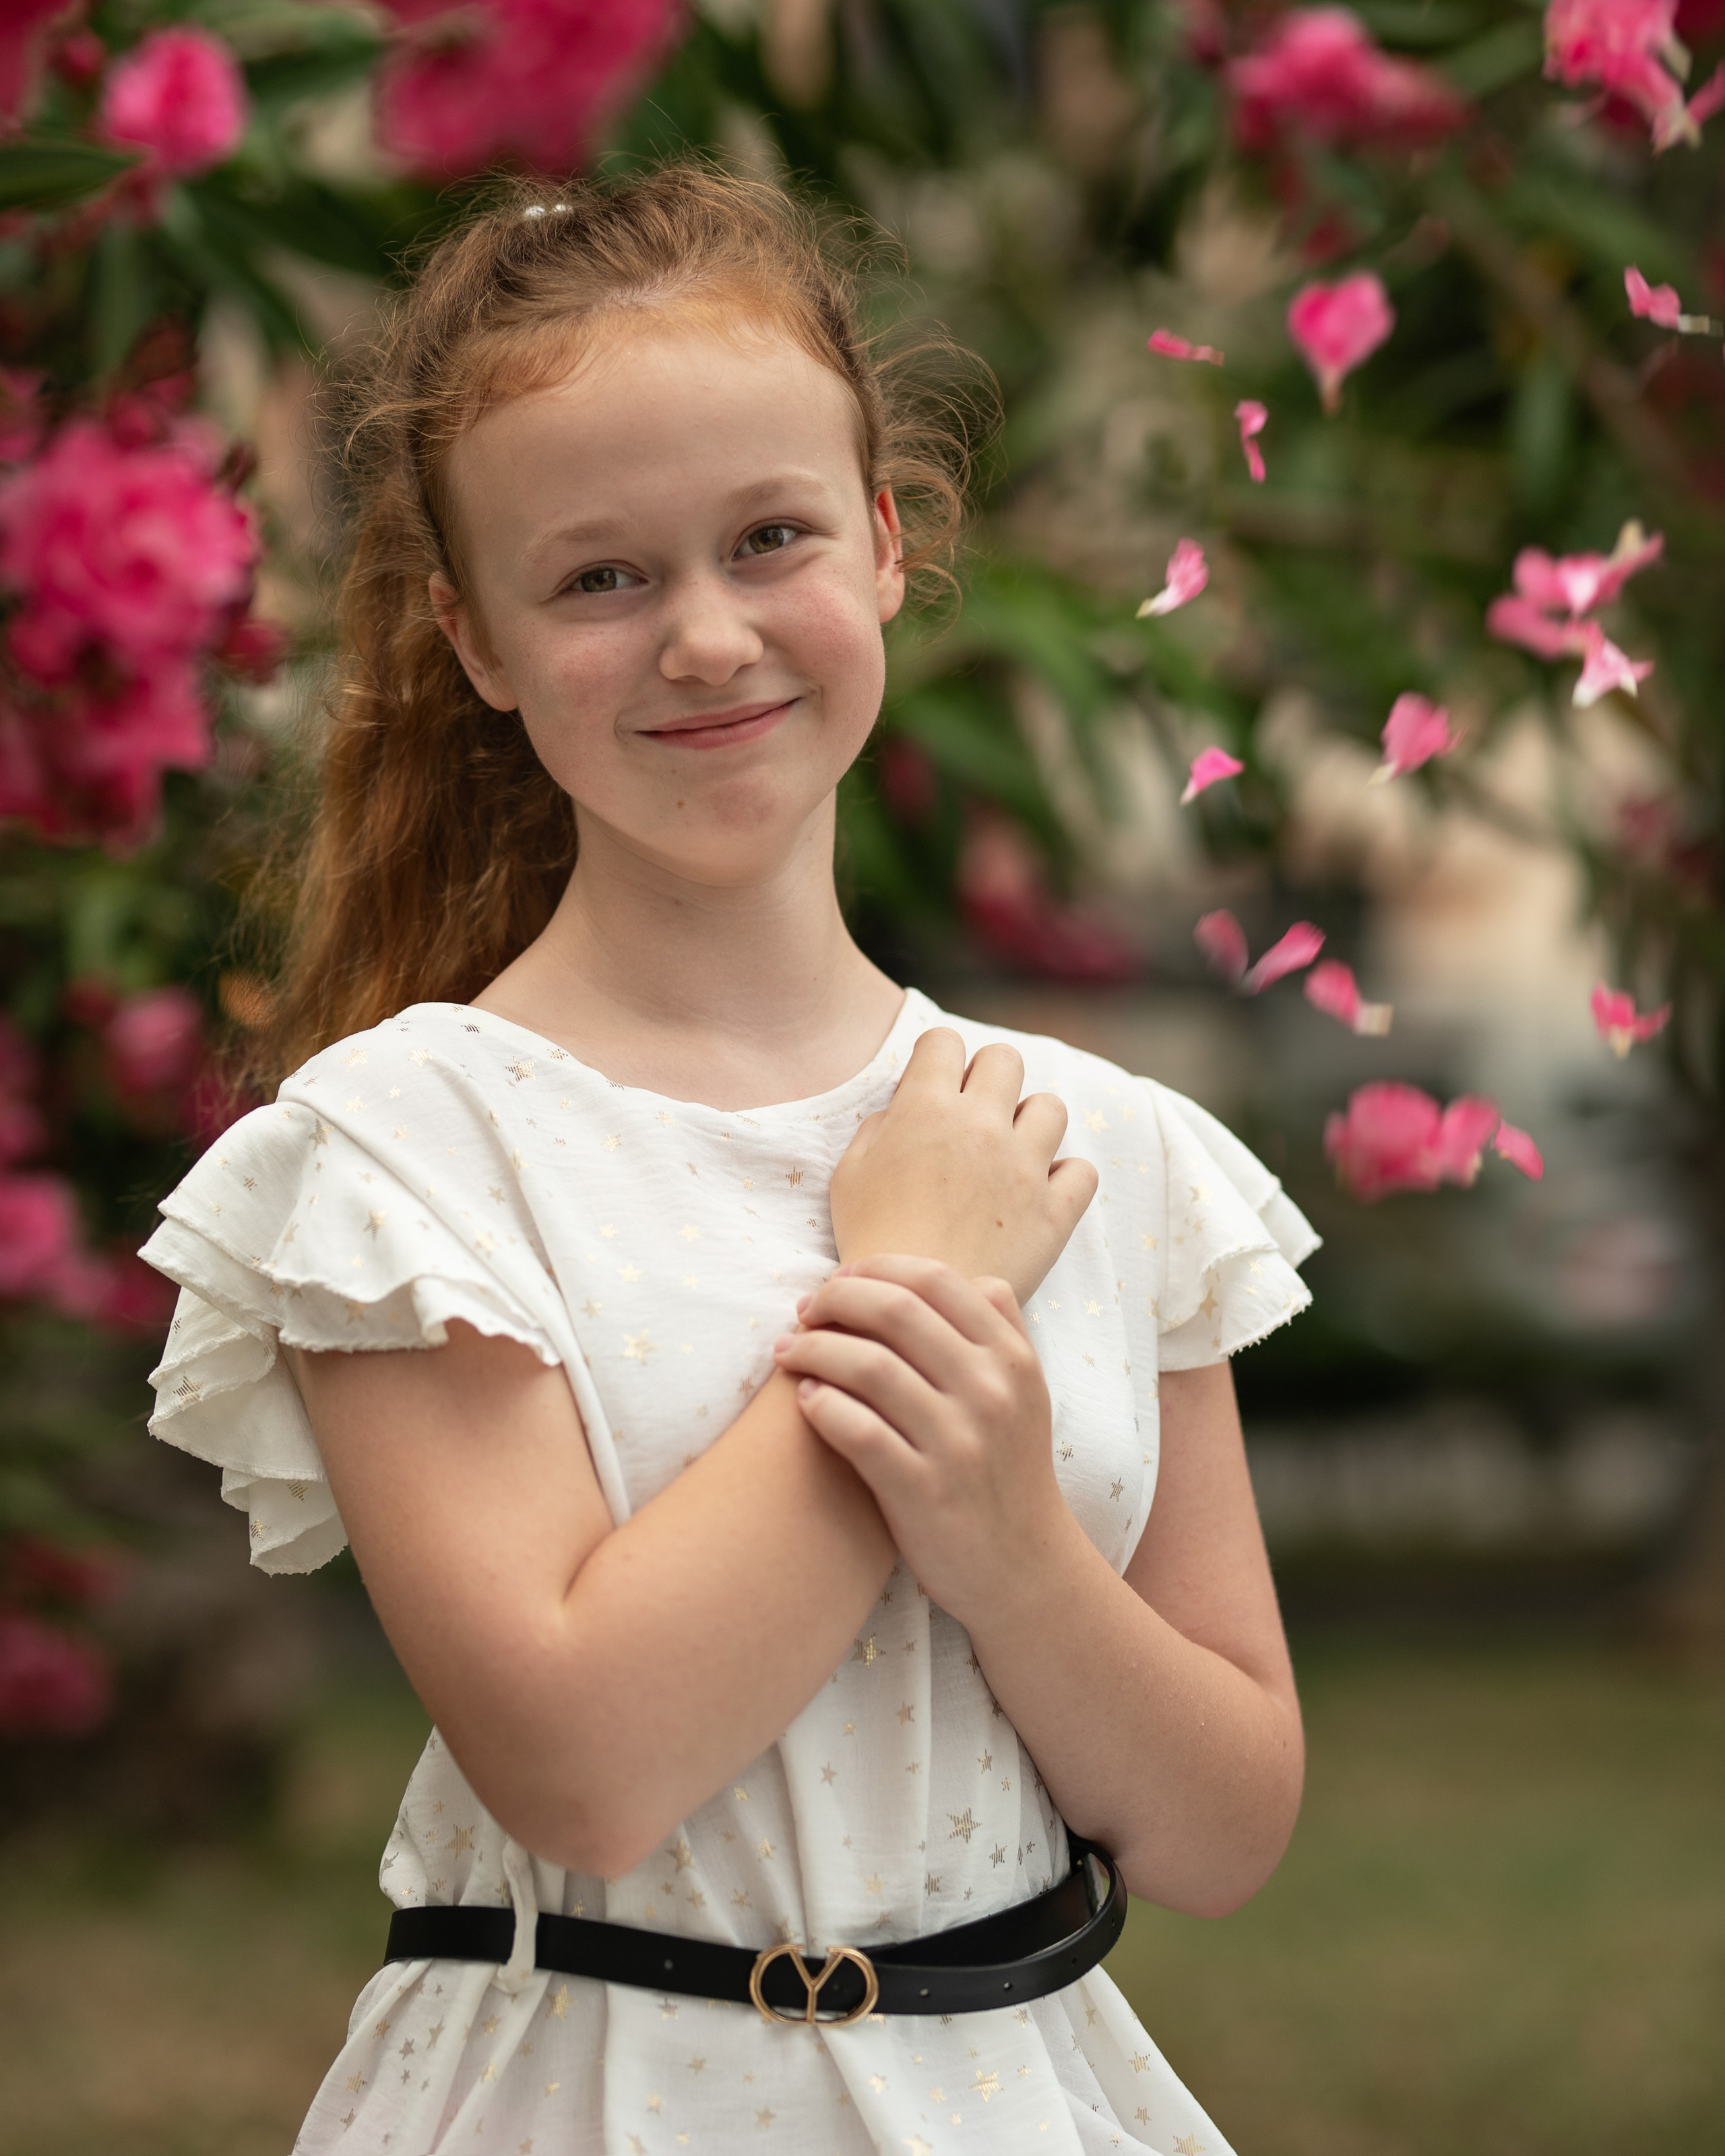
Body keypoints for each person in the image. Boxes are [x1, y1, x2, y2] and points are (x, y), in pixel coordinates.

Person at [142, 164, 1317, 2156]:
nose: (705, 638)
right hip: (588, 2097)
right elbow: (590, 1763)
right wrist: (921, 1303)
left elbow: (1221, 1830)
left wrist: (1015, 1542)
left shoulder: (1092, 1148)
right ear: (477, 638)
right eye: (598, 577)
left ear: (882, 544)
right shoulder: (402, 1157)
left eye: (768, 538)